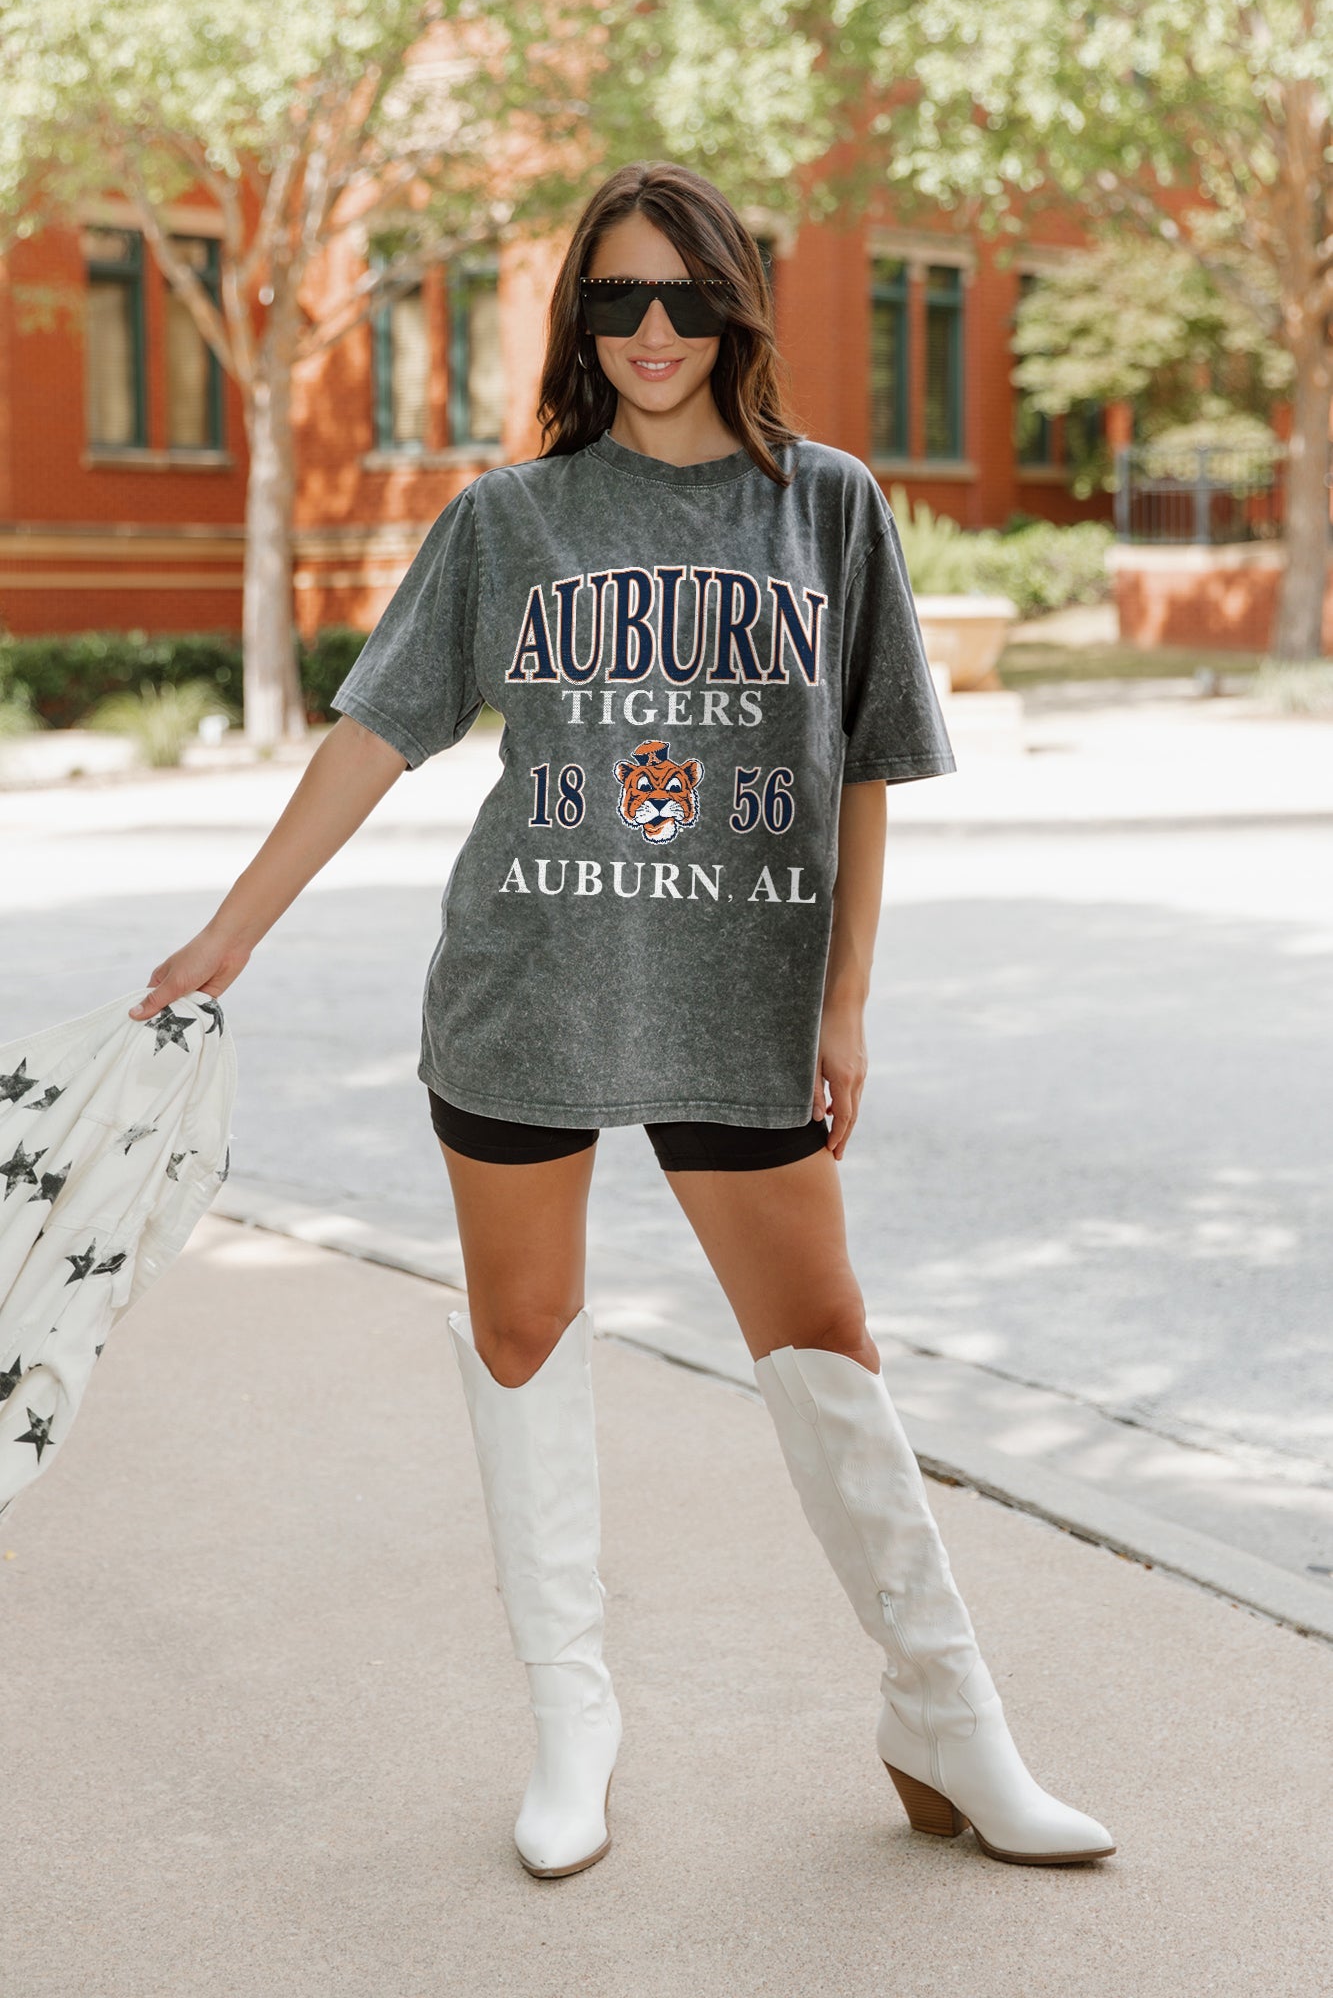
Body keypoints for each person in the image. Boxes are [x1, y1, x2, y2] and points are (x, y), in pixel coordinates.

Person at [129, 160, 1115, 1879]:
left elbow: (869, 763)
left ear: (733, 301)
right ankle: (572, 1724)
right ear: (580, 322)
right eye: (612, 300)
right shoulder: (513, 520)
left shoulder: (827, 508)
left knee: (824, 1345)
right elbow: (376, 732)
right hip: (528, 988)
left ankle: (945, 1717)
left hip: (742, 1000)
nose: (650, 331)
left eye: (682, 296)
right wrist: (231, 932)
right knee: (522, 1344)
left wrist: (846, 998)